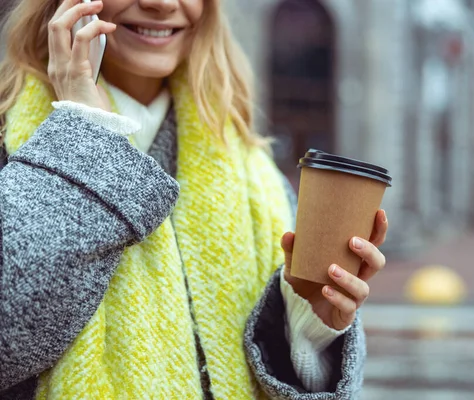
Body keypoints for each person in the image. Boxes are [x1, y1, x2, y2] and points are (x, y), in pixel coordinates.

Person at [0, 0, 388, 399]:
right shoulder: (9, 139)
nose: (162, 4)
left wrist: (308, 325)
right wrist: (84, 135)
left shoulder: (254, 170)